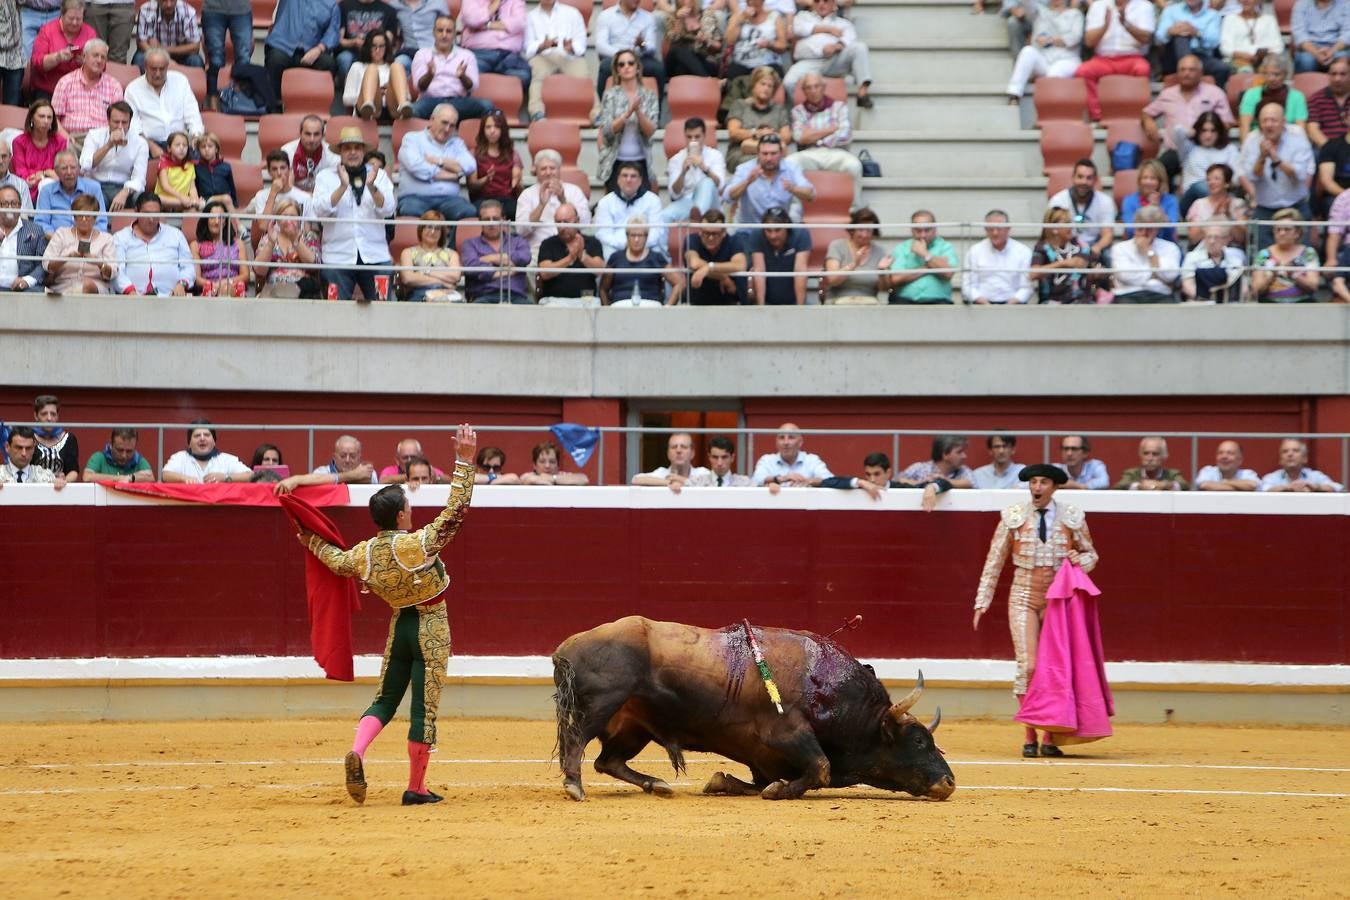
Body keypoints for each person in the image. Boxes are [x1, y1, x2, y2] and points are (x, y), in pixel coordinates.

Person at [297, 424, 477, 806]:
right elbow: (456, 511)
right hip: (429, 626)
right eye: (408, 507)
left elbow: (334, 559)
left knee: (385, 698)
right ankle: (417, 787)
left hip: (400, 627)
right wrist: (464, 461)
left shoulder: (363, 554)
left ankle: (358, 752)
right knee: (422, 708)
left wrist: (310, 538)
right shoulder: (416, 545)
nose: (412, 510)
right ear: (398, 516)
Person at [973, 463, 1099, 757]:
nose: (1036, 487)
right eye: (1032, 482)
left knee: (1054, 669)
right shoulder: (1013, 516)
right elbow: (994, 561)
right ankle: (1030, 734)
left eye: (1043, 482)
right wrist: (982, 601)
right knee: (1028, 666)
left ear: (1054, 487)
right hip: (1024, 595)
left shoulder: (1071, 516)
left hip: (1058, 599)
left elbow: (1093, 555)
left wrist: (1079, 559)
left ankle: (1049, 738)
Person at [311, 126, 396, 301]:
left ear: (363, 151)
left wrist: (372, 187)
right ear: (340, 152)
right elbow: (319, 211)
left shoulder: (378, 176)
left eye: (357, 148)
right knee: (334, 313)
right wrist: (342, 187)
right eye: (347, 148)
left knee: (383, 310)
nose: (352, 152)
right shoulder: (325, 177)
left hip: (375, 256)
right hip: (337, 257)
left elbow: (388, 209)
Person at [1141, 53, 1235, 186]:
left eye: (1191, 70)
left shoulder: (1215, 93)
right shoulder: (1168, 94)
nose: (1186, 74)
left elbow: (1227, 123)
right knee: (1158, 172)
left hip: (1204, 149)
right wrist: (1148, 122)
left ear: (1201, 72)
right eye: (1183, 70)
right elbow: (1146, 113)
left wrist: (1204, 134)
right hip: (1175, 150)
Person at [787, 71, 862, 209]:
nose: (813, 91)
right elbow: (799, 137)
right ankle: (794, 210)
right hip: (809, 153)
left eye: (817, 86)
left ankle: (855, 209)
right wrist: (830, 129)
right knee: (790, 162)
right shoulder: (798, 111)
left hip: (835, 153)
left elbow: (845, 135)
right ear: (803, 91)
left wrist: (815, 138)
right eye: (808, 88)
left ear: (823, 87)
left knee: (854, 165)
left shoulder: (839, 107)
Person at [395, 102, 476, 222]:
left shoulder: (457, 143)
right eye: (444, 122)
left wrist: (438, 161)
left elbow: (470, 166)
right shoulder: (412, 139)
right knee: (410, 211)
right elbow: (416, 167)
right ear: (432, 119)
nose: (447, 129)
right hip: (414, 198)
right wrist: (454, 175)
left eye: (452, 125)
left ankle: (453, 242)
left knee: (468, 212)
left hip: (449, 200)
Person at [784, 0, 873, 108]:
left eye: (826, 1)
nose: (821, 4)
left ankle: (862, 92)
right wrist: (828, 29)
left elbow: (850, 38)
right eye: (817, 1)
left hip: (833, 61)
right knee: (788, 82)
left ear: (833, 4)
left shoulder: (843, 23)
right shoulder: (803, 17)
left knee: (860, 47)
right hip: (807, 62)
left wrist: (836, 46)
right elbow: (798, 29)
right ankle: (801, 111)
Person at [1076, 0, 1156, 121]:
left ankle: (1137, 116)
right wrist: (1105, 26)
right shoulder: (1098, 6)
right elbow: (1089, 42)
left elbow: (1146, 38)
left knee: (1142, 69)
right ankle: (1097, 116)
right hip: (1103, 59)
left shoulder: (1144, 6)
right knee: (1084, 71)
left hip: (1132, 57)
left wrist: (1125, 24)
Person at [596, 48, 658, 193]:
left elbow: (650, 131)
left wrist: (638, 112)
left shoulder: (649, 96)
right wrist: (628, 113)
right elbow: (607, 131)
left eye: (630, 63)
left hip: (641, 161)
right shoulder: (610, 95)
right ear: (617, 70)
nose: (626, 67)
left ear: (637, 67)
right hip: (615, 162)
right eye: (621, 64)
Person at [124, 48, 205, 158]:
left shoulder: (180, 81)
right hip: (149, 143)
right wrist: (151, 146)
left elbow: (193, 115)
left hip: (180, 141)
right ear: (145, 66)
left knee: (203, 155)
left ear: (167, 67)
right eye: (153, 69)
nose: (158, 74)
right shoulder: (133, 89)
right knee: (137, 155)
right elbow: (133, 127)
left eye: (162, 69)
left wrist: (196, 136)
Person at [410, 14, 493, 121]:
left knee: (487, 106)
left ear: (454, 34)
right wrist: (429, 75)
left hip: (459, 101)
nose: (444, 35)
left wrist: (463, 77)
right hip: (431, 101)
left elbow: (473, 86)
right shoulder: (422, 54)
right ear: (433, 32)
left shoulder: (467, 55)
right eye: (440, 30)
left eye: (448, 31)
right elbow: (419, 87)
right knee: (413, 110)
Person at [264, 0, 340, 113]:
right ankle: (275, 106)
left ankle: (316, 108)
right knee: (276, 60)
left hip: (312, 50)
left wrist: (318, 49)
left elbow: (333, 32)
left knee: (329, 63)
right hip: (283, 46)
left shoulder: (331, 5)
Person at [112, 191, 193, 294]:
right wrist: (129, 290)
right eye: (146, 214)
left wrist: (182, 284)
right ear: (136, 211)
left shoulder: (175, 234)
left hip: (171, 299)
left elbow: (189, 266)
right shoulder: (120, 237)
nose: (151, 219)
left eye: (155, 214)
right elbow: (117, 271)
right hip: (133, 299)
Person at [514, 149, 590, 259]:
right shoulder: (527, 194)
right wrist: (541, 205)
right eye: (543, 169)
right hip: (538, 251)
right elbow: (521, 230)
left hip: (570, 248)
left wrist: (563, 200)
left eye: (552, 168)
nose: (548, 172)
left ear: (559, 170)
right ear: (536, 171)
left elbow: (585, 224)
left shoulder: (574, 191)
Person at [724, 134, 815, 226]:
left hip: (780, 230)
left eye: (773, 153)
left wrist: (793, 188)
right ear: (758, 154)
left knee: (802, 234)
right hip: (750, 229)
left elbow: (810, 195)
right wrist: (747, 182)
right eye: (765, 153)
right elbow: (728, 197)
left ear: (781, 154)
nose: (769, 158)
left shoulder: (791, 168)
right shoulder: (744, 169)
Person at [524, 0, 592, 123]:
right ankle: (537, 113)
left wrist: (571, 47)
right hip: (543, 57)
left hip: (569, 56)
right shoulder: (530, 17)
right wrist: (542, 45)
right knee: (538, 72)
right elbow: (527, 47)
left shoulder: (572, 13)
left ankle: (595, 114)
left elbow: (581, 42)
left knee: (583, 73)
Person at [50, 36, 121, 151]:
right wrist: (66, 137)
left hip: (102, 140)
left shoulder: (113, 86)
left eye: (103, 57)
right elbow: (53, 118)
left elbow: (119, 120)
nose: (99, 60)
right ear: (84, 57)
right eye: (95, 55)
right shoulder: (66, 82)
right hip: (73, 138)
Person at [1005, 0, 1083, 103]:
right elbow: (1027, 3)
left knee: (1053, 74)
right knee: (1027, 51)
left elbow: (1075, 38)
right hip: (1044, 60)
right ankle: (1014, 94)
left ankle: (1048, 109)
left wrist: (1050, 40)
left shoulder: (1075, 14)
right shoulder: (1040, 11)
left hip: (1067, 60)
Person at [815, 451, 947, 509]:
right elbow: (827, 482)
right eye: (868, 474)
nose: (872, 479)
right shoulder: (861, 486)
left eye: (877, 474)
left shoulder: (899, 488)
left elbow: (946, 483)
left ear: (888, 472)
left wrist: (931, 487)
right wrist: (859, 482)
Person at [79, 101, 147, 211]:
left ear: (130, 123)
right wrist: (109, 145)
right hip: (97, 185)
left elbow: (139, 179)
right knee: (93, 199)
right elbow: (84, 165)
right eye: (116, 122)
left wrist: (125, 193)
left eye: (124, 122)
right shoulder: (94, 135)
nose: (120, 127)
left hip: (124, 187)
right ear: (108, 121)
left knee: (143, 199)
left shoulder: (140, 143)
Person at [42, 189, 114, 292]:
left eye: (88, 216)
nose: (84, 219)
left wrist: (98, 263)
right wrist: (68, 257)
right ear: (74, 217)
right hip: (64, 284)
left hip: (95, 286)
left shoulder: (106, 239)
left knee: (87, 285)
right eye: (80, 215)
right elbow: (47, 264)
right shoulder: (61, 233)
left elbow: (112, 273)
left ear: (95, 218)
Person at [460, 197, 530, 303]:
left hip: (516, 297)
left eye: (495, 219)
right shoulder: (470, 244)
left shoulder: (518, 241)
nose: (491, 223)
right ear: (480, 222)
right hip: (483, 297)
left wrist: (488, 259)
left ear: (504, 220)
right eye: (487, 219)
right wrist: (509, 269)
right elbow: (472, 268)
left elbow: (525, 258)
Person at [724, 66, 791, 173]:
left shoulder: (779, 109)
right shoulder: (740, 105)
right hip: (741, 153)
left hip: (771, 152)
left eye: (770, 86)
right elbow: (734, 133)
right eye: (763, 84)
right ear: (754, 85)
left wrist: (769, 136)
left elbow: (786, 136)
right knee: (763, 162)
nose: (766, 88)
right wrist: (757, 133)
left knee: (785, 161)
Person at [1174, 111, 1241, 216]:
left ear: (1219, 132)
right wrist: (1193, 132)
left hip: (1221, 193)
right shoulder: (1189, 148)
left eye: (1213, 131)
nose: (1208, 135)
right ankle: (1220, 209)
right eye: (1204, 130)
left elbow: (1236, 177)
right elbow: (1178, 131)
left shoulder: (1229, 149)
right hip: (1191, 199)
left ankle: (1219, 210)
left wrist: (1219, 184)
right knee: (1199, 185)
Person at [536, 202, 604, 306]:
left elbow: (600, 270)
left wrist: (582, 256)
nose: (562, 227)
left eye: (566, 222)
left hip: (586, 300)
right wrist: (570, 259)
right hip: (554, 300)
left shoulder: (592, 242)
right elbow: (544, 273)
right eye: (559, 222)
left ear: (577, 221)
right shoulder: (548, 243)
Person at [600, 218, 681, 306]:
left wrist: (667, 309)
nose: (636, 239)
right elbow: (603, 289)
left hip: (651, 309)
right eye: (633, 235)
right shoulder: (616, 258)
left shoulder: (657, 257)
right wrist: (607, 312)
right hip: (620, 309)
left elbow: (678, 282)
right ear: (627, 236)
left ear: (646, 236)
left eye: (640, 235)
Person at [594, 161, 665, 260]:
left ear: (640, 180)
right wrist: (625, 244)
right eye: (624, 175)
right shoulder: (605, 202)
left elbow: (657, 232)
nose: (628, 180)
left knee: (658, 253)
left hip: (646, 246)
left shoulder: (653, 200)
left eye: (633, 176)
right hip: (616, 247)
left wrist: (638, 245)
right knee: (608, 255)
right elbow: (604, 234)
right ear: (618, 179)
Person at [1047, 158, 1116, 259]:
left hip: (1094, 246)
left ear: (1095, 180)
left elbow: (1107, 235)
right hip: (1066, 245)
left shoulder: (1105, 201)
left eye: (1089, 178)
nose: (1084, 182)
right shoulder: (1058, 200)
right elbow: (1051, 234)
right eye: (1080, 177)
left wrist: (1095, 248)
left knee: (1109, 255)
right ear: (1073, 177)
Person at [1110, 205, 1182, 303]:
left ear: (1157, 229)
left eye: (1148, 229)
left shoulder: (1170, 247)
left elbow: (1170, 276)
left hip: (1160, 294)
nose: (1144, 233)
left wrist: (1150, 252)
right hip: (1128, 294)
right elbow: (1125, 276)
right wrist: (1154, 274)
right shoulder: (1120, 248)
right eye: (1140, 228)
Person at [663, 116, 726, 227]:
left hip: (712, 204)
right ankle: (662, 245)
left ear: (704, 136)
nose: (693, 141)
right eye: (689, 137)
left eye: (697, 137)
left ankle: (698, 219)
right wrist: (683, 173)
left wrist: (704, 168)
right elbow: (675, 194)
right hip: (687, 203)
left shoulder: (715, 155)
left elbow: (720, 185)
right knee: (664, 216)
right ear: (684, 137)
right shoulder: (676, 159)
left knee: (707, 182)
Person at [593, 0, 663, 100]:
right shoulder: (606, 16)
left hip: (639, 58)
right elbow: (601, 45)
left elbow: (651, 47)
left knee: (658, 68)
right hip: (616, 58)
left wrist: (642, 45)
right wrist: (622, 55)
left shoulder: (648, 17)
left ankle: (656, 112)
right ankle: (604, 109)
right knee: (605, 67)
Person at [459, 0, 529, 99]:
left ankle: (502, 108)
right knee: (467, 78)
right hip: (478, 53)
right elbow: (472, 19)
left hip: (508, 55)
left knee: (524, 76)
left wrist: (487, 25)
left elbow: (520, 22)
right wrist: (496, 3)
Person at [885, 209, 957, 305]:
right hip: (904, 301)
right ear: (912, 230)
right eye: (918, 230)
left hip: (938, 302)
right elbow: (896, 278)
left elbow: (948, 273)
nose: (923, 235)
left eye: (927, 230)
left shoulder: (945, 247)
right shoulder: (902, 248)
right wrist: (928, 267)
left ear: (935, 229)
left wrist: (924, 254)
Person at [254, 197, 322, 298]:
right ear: (277, 218)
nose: (289, 220)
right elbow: (259, 270)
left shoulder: (309, 237)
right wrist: (271, 243)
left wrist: (296, 240)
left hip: (303, 291)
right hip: (274, 289)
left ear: (299, 218)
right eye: (285, 216)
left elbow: (314, 265)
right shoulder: (268, 238)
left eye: (292, 216)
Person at [1251, 207, 1321, 302]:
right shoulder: (1263, 254)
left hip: (1302, 304)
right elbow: (1256, 290)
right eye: (1278, 229)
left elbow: (1313, 286)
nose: (1282, 233)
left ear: (1297, 233)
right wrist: (1272, 276)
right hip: (1269, 304)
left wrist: (1294, 275)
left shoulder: (1308, 253)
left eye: (1287, 229)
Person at [30, 0, 96, 99]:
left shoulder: (89, 33)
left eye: (78, 19)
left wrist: (86, 63)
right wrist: (57, 57)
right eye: (71, 18)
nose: (74, 23)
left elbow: (101, 67)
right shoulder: (47, 30)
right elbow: (36, 63)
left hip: (79, 90)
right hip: (48, 88)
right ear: (62, 15)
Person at [822, 206, 889, 304]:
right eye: (861, 230)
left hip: (869, 302)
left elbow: (884, 289)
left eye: (869, 230)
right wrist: (854, 264)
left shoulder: (880, 251)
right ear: (852, 229)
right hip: (838, 301)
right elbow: (832, 280)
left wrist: (882, 272)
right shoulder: (837, 246)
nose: (864, 235)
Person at [964, 209, 1032, 304]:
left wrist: (1011, 304)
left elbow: (1026, 287)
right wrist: (983, 302)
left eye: (999, 228)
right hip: (981, 306)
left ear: (1008, 229)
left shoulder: (1023, 251)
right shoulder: (974, 251)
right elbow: (968, 286)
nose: (995, 233)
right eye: (990, 229)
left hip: (1015, 306)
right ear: (985, 230)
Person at [466, 108, 522, 220]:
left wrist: (517, 184)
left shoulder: (513, 154)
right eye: (488, 127)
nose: (492, 131)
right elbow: (471, 187)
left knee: (521, 212)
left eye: (497, 127)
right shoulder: (473, 154)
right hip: (482, 200)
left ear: (503, 130)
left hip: (506, 200)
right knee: (472, 211)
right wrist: (485, 180)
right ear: (483, 130)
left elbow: (517, 184)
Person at [35, 150, 107, 235]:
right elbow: (41, 222)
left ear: (79, 169)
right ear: (56, 171)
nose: (69, 172)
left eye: (73, 167)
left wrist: (84, 238)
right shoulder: (46, 191)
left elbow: (101, 223)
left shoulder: (93, 188)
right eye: (64, 168)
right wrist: (56, 238)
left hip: (88, 242)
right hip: (55, 241)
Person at [1030, 207, 1094, 305]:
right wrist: (1064, 263)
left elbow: (1081, 263)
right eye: (1067, 223)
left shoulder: (1080, 244)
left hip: (1079, 301)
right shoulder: (1042, 247)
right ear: (1054, 229)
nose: (1071, 227)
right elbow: (1033, 274)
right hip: (1050, 302)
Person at [1237, 54, 1308, 142]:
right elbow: (1245, 126)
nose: (1271, 78)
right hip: (1257, 140)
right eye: (1267, 74)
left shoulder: (1297, 97)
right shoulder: (1251, 94)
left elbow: (1300, 130)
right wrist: (1246, 149)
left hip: (1288, 141)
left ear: (1285, 74)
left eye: (1276, 74)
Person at [345, 29, 413, 120]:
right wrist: (374, 91)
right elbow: (346, 99)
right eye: (374, 46)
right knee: (372, 68)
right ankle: (368, 104)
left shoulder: (394, 66)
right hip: (367, 109)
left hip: (392, 108)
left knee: (397, 66)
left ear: (386, 47)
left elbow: (408, 96)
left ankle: (402, 105)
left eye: (381, 46)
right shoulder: (357, 66)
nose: (377, 50)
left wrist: (389, 90)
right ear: (368, 47)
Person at [685, 209, 747, 306]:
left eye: (715, 234)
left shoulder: (734, 241)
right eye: (706, 233)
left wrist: (709, 267)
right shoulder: (692, 240)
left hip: (730, 302)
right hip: (698, 302)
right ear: (700, 232)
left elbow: (740, 265)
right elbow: (694, 263)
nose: (710, 238)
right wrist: (723, 277)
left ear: (723, 232)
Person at [1154, 0, 1227, 82]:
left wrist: (1197, 33)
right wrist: (1170, 31)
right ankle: (1187, 67)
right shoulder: (1171, 11)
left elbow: (1213, 43)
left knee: (1221, 68)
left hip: (1201, 55)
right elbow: (1158, 39)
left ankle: (1214, 94)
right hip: (1173, 56)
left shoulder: (1213, 15)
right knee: (1182, 36)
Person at [750, 206, 810, 305]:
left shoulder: (801, 233)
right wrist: (761, 308)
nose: (772, 236)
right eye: (768, 231)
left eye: (777, 230)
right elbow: (759, 271)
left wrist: (800, 310)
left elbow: (800, 271)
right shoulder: (757, 234)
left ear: (786, 226)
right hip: (768, 302)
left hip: (795, 302)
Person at [398, 210, 461, 301]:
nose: (432, 231)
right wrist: (442, 281)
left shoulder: (452, 254)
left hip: (445, 295)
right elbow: (408, 278)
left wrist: (425, 272)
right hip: (419, 294)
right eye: (429, 227)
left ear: (442, 233)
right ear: (421, 229)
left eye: (437, 228)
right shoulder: (408, 252)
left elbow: (455, 277)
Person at [161, 418, 252, 482]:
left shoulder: (227, 459)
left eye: (207, 435)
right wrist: (183, 478)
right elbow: (165, 475)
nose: (202, 438)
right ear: (189, 443)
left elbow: (250, 476)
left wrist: (225, 477)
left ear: (214, 441)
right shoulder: (179, 457)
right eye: (197, 436)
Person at [335, 0, 399, 89]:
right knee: (344, 59)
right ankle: (347, 89)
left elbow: (388, 41)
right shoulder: (344, 6)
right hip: (352, 51)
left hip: (377, 52)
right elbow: (338, 40)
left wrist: (371, 44)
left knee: (394, 63)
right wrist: (354, 42)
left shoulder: (389, 10)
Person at [12, 100, 68, 203]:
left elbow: (60, 173)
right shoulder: (19, 142)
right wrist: (47, 174)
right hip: (27, 190)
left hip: (53, 190)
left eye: (49, 117)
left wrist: (42, 174)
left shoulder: (60, 142)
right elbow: (23, 175)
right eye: (42, 116)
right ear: (32, 118)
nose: (46, 121)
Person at [191, 199, 250, 296]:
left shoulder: (238, 244)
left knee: (227, 289)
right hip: (208, 289)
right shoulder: (196, 245)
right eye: (212, 218)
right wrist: (213, 285)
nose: (217, 221)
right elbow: (196, 278)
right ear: (206, 220)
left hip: (232, 288)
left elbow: (245, 276)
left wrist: (223, 283)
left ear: (226, 221)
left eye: (221, 218)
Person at [1185, 162, 1248, 247]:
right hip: (1204, 250)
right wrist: (1213, 217)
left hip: (1231, 250)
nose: (1211, 182)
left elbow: (1242, 239)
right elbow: (1193, 238)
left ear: (1227, 183)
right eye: (1208, 179)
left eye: (1216, 179)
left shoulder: (1238, 204)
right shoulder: (1198, 204)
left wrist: (1229, 217)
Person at [202, 0, 253, 105]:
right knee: (215, 60)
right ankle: (213, 107)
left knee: (243, 59)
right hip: (213, 8)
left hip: (241, 9)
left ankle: (241, 104)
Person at [751, 422, 833, 486]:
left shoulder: (811, 460)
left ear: (800, 442)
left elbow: (830, 480)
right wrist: (783, 478)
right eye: (781, 437)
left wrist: (809, 481)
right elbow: (756, 480)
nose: (786, 442)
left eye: (791, 437)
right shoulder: (767, 460)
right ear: (776, 442)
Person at [0, 184, 48, 291]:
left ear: (20, 205)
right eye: (4, 204)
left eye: (14, 203)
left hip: (22, 288)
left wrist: (27, 280)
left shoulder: (35, 230)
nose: (10, 208)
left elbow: (43, 264)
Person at [724, 0, 786, 82]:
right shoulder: (738, 16)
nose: (751, 3)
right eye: (749, 1)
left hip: (767, 64)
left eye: (755, 2)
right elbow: (729, 41)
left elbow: (782, 46)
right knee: (733, 76)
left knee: (772, 76)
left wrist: (769, 44)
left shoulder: (774, 17)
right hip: (741, 64)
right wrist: (740, 20)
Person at [1119, 159, 1180, 243]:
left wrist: (1157, 209)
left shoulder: (1171, 200)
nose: (1148, 182)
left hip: (1165, 245)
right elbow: (1130, 230)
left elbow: (1170, 230)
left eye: (1153, 178)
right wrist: (1149, 210)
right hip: (1137, 244)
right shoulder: (1129, 201)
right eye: (1145, 178)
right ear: (1139, 181)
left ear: (1160, 181)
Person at [1182, 224, 1246, 301]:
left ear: (1225, 240)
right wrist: (1207, 299)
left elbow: (1243, 283)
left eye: (1216, 237)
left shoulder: (1237, 254)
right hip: (1200, 303)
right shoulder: (1191, 256)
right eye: (1208, 237)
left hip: (1230, 302)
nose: (1212, 241)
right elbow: (1187, 285)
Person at [632, 431, 712, 493]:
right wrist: (669, 482)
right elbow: (636, 480)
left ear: (692, 453)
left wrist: (680, 480)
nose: (678, 450)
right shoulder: (662, 473)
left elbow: (711, 482)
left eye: (683, 447)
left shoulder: (701, 472)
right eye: (674, 447)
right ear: (668, 453)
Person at [133, 0, 203, 69]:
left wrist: (162, 49)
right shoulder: (147, 9)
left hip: (181, 56)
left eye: (172, 0)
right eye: (164, 0)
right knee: (139, 59)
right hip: (153, 55)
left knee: (196, 61)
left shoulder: (188, 11)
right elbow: (141, 43)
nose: (168, 5)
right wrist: (161, 58)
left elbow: (195, 47)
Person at [280, 117, 341, 195]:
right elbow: (285, 187)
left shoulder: (332, 155)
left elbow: (332, 189)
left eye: (316, 134)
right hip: (293, 200)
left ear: (323, 135)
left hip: (321, 199)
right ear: (300, 133)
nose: (312, 139)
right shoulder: (287, 151)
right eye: (308, 134)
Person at [1220, 0, 1283, 75]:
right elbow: (1225, 48)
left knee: (1271, 67)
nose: (1246, 1)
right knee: (1246, 70)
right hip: (1239, 59)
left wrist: (1262, 55)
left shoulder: (1269, 20)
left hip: (1265, 59)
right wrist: (1244, 55)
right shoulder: (1230, 19)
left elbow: (1278, 47)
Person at [664, 0, 722, 79]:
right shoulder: (673, 17)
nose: (686, 1)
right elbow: (668, 47)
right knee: (677, 50)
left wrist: (706, 40)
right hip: (676, 59)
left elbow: (719, 46)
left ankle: (703, 81)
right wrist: (679, 20)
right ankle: (707, 80)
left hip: (704, 61)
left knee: (681, 69)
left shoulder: (707, 15)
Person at [1258, 437, 1344, 491]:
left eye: (1295, 450)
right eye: (1285, 451)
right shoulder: (1271, 477)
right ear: (1280, 460)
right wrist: (1289, 488)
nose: (1290, 454)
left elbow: (1337, 487)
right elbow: (1262, 489)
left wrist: (1316, 487)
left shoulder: (1315, 476)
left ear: (1304, 458)